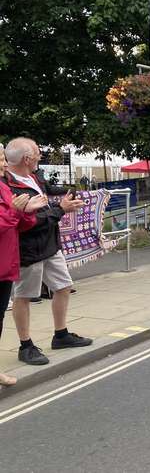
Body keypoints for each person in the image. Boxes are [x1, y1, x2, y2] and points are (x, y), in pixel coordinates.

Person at [5, 138, 92, 366]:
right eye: (36, 153)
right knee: (23, 297)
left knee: (63, 287)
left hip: (50, 245)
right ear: (26, 159)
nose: (39, 156)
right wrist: (60, 209)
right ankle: (26, 346)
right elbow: (29, 222)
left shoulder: (34, 176)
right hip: (28, 250)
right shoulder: (9, 187)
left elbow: (48, 192)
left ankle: (61, 335)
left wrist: (73, 192)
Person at [0, 143, 47, 385]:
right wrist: (16, 212)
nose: (4, 163)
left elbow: (19, 224)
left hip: (6, 264)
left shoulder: (2, 186)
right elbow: (4, 221)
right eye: (0, 159)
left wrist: (29, 211)